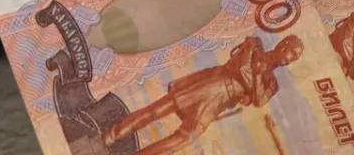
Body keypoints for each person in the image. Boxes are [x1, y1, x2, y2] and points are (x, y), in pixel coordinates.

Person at [103, 35, 304, 155]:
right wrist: (253, 87)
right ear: (283, 45)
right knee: (156, 110)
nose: (291, 60)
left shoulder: (272, 83)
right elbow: (240, 68)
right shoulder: (255, 44)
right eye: (292, 53)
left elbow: (260, 100)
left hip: (218, 104)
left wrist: (255, 79)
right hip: (209, 85)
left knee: (184, 138)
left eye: (295, 58)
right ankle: (111, 135)